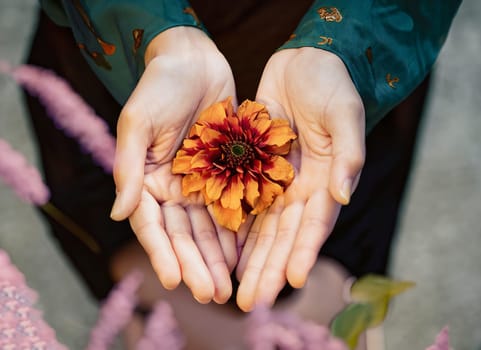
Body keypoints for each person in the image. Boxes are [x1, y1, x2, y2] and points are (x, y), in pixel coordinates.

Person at [27, 0, 461, 348]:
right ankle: (155, 311)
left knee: (327, 219)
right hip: (126, 65)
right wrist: (153, 30)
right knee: (148, 240)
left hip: (333, 76)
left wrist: (346, 44)